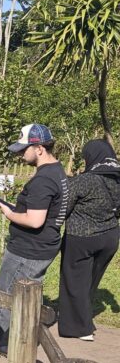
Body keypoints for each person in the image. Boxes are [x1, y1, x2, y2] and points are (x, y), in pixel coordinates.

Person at [0, 124, 68, 359]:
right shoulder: (58, 172)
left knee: (5, 296)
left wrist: (9, 213)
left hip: (28, 250)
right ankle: (16, 342)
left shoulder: (44, 180)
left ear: (39, 148)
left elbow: (35, 220)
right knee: (23, 298)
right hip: (42, 246)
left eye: (23, 149)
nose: (19, 154)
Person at [58, 139, 120, 340]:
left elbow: (63, 208)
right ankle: (85, 318)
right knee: (90, 282)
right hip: (109, 237)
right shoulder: (117, 180)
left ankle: (79, 328)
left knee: (74, 281)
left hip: (82, 237)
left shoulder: (83, 180)